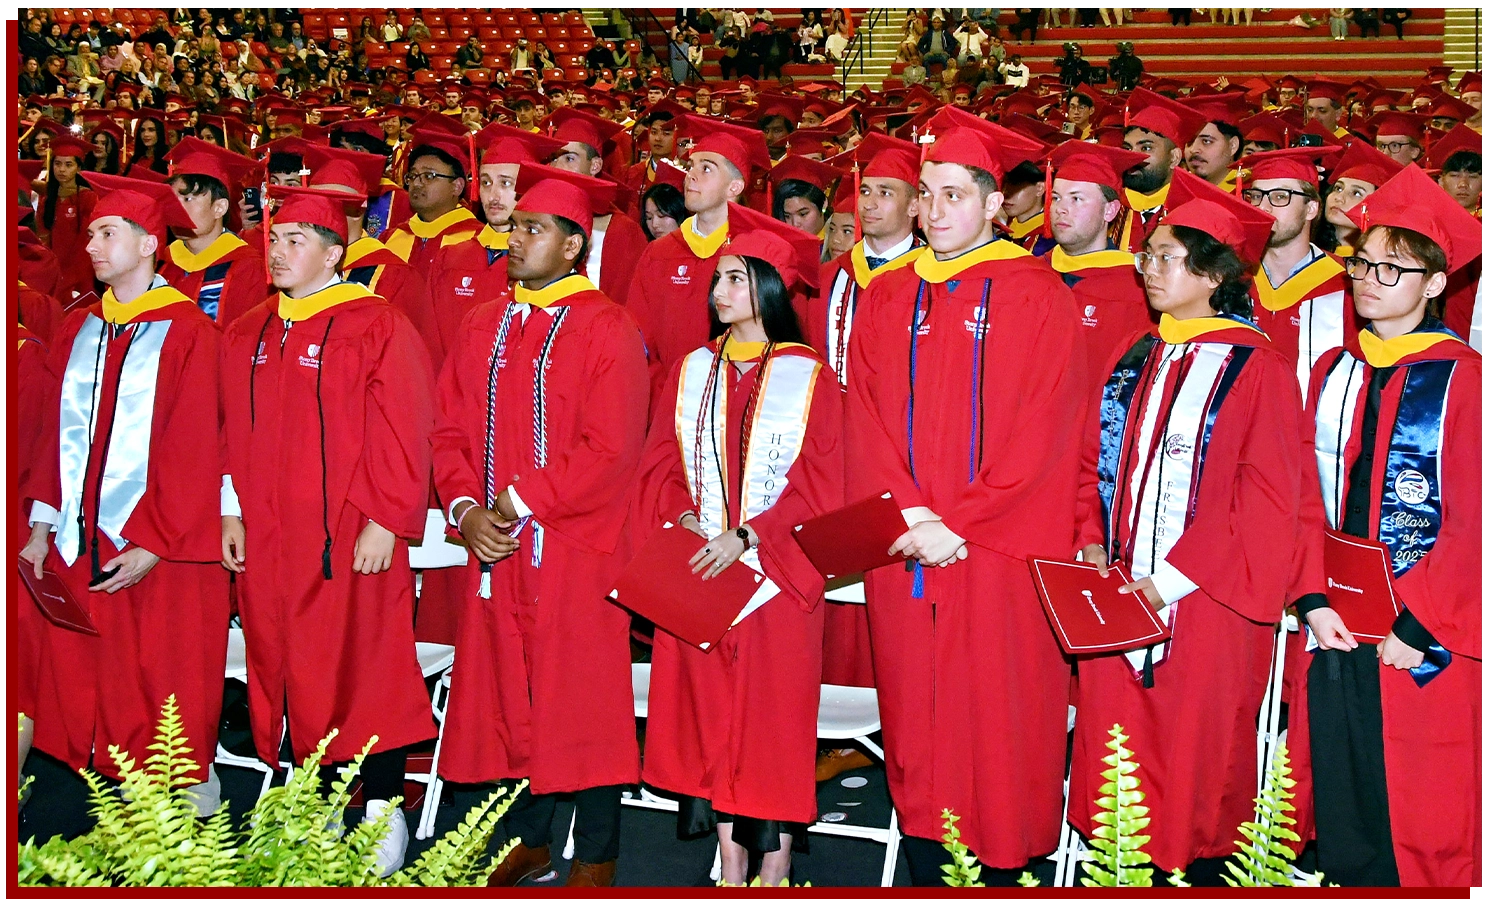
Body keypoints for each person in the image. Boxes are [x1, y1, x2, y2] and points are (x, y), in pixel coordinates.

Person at [844, 107, 1085, 885]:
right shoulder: (888, 296)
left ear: (993, 205)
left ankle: (1006, 869)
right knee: (917, 718)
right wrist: (911, 513)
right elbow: (865, 415)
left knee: (1001, 717)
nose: (936, 210)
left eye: (954, 195)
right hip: (905, 546)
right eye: (928, 194)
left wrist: (961, 523)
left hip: (998, 551)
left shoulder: (1036, 293)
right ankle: (924, 864)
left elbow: (1047, 430)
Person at [1071, 168, 1302, 880]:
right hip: (1118, 591)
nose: (1150, 266)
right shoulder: (1135, 353)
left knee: (1192, 763)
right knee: (1115, 761)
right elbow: (1089, 459)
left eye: (1168, 256)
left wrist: (1167, 580)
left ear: (1213, 275)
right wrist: (1088, 536)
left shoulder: (1256, 368)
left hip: (1205, 600)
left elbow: (1264, 499)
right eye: (1150, 254)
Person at [434, 165, 649, 889]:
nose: (515, 236)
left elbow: (610, 448)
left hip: (576, 547)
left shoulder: (607, 326)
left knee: (582, 699)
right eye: (514, 224)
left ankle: (596, 850)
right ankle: (529, 834)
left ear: (572, 246)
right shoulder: (483, 323)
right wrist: (465, 511)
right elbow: (450, 432)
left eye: (533, 228)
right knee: (511, 694)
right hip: (494, 551)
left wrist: (515, 503)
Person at [219, 187, 436, 877]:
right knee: (286, 666)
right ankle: (307, 803)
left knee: (368, 673)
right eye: (275, 239)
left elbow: (406, 429)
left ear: (335, 253)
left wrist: (385, 519)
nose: (278, 252)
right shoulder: (249, 327)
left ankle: (380, 812)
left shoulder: (377, 324)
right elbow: (225, 429)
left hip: (350, 540)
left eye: (296, 241)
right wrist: (229, 505)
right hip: (271, 544)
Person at [636, 205, 842, 887]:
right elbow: (660, 462)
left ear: (771, 289)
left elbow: (827, 477)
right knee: (707, 718)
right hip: (702, 570)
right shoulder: (694, 368)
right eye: (717, 278)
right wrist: (683, 516)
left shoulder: (810, 375)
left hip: (776, 575)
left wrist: (753, 534)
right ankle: (729, 858)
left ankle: (777, 861)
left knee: (770, 722)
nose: (717, 290)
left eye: (734, 278)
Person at [18, 172, 228, 820]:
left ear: (147, 245)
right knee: (89, 679)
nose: (92, 246)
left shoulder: (188, 330)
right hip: (84, 538)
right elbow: (56, 435)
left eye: (108, 234)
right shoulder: (82, 324)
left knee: (158, 686)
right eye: (90, 234)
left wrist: (157, 540)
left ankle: (179, 815)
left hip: (151, 546)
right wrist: (42, 521)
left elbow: (196, 444)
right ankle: (93, 810)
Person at [1296, 162, 1483, 887]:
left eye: (1393, 268)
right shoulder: (1334, 370)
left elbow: (1477, 523)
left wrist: (1420, 623)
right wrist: (1310, 596)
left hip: (1422, 635)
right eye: (1363, 263)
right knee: (1346, 804)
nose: (1369, 279)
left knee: (1423, 811)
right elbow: (1302, 499)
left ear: (1436, 284)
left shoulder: (1465, 379)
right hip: (1335, 626)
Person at [625, 116, 771, 398]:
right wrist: (665, 394)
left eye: (706, 169)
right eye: (691, 166)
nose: (691, 175)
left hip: (738, 402)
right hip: (666, 400)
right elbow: (638, 336)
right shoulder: (659, 253)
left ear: (735, 188)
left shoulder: (757, 254)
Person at [1041, 140, 1156, 388]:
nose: (1061, 209)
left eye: (1077, 199)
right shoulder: (1031, 273)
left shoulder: (1140, 288)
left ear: (1110, 211)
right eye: (1057, 197)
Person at [1239, 146, 1354, 393]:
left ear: (1311, 208)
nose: (1264, 208)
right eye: (1257, 196)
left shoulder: (1348, 284)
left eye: (1280, 197)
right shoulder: (1232, 276)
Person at [156, 137, 265, 327]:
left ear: (220, 208)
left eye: (188, 199)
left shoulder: (248, 269)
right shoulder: (163, 264)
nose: (176, 208)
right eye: (172, 199)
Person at [543, 108, 649, 303]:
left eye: (569, 158)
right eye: (553, 158)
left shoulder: (623, 232)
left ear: (595, 166)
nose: (557, 167)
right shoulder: (536, 220)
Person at [1119, 88, 1209, 252]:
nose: (1132, 157)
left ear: (1174, 158)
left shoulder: (1196, 216)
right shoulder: (1110, 208)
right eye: (1127, 148)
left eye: (1146, 148)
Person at [36, 135, 100, 300]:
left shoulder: (88, 197)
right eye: (57, 164)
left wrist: (71, 274)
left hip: (80, 270)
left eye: (68, 164)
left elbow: (86, 240)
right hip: (52, 268)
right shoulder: (48, 199)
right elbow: (42, 235)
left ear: (79, 168)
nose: (62, 170)